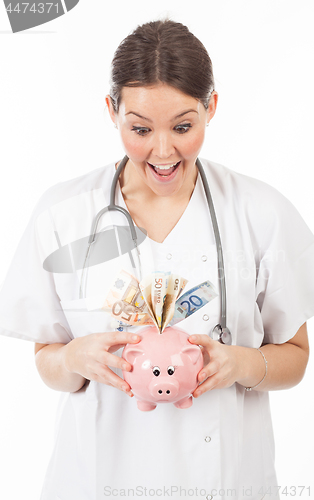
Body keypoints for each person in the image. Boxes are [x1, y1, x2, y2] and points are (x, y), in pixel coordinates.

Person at [0, 18, 314, 500]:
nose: (163, 151)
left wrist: (239, 365)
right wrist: (74, 358)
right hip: (96, 480)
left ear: (212, 107)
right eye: (140, 128)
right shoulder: (64, 214)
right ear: (112, 111)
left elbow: (295, 358)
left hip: (226, 482)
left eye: (184, 126)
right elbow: (48, 364)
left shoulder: (261, 212)